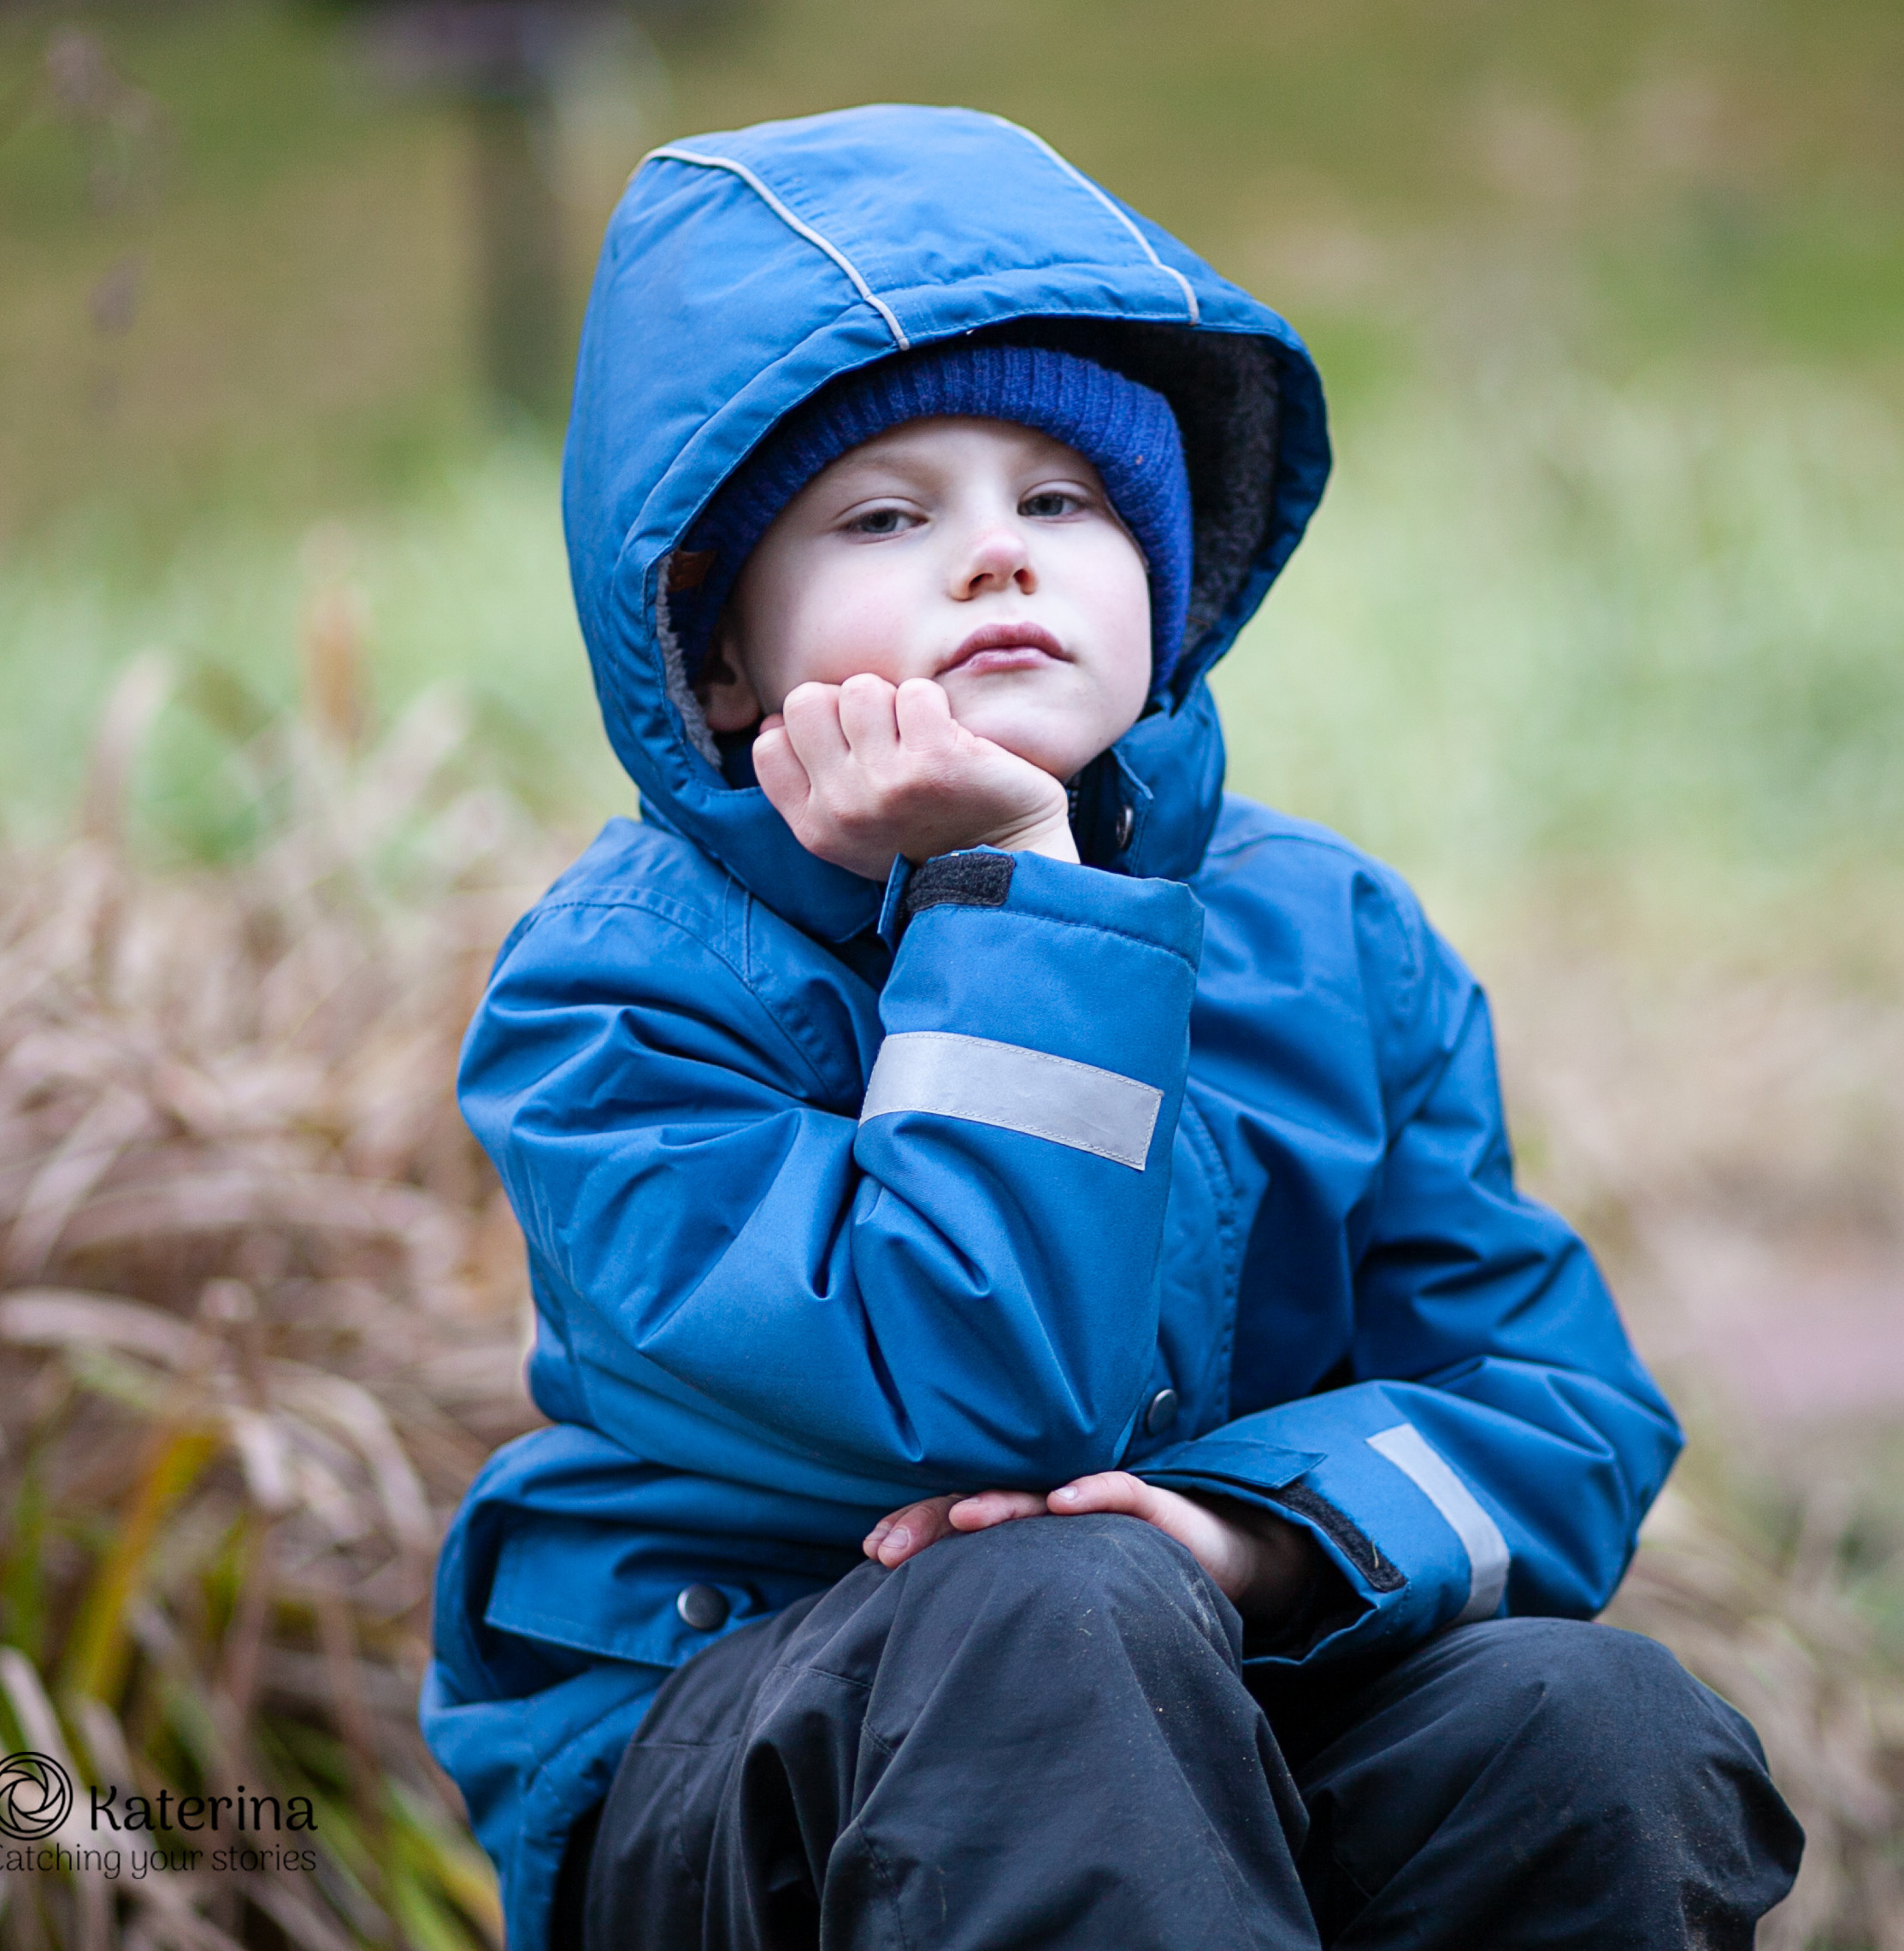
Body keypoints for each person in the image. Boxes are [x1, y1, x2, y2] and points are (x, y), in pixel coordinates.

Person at [421, 105, 1802, 1949]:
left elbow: (1551, 1408)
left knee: (1593, 1724)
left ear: (1166, 570)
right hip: (758, 1766)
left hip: (1219, 1670)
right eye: (887, 514)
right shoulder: (621, 999)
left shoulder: (1329, 939)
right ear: (725, 647)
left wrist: (1253, 1539)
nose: (998, 557)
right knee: (1056, 1604)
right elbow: (980, 1403)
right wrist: (1014, 886)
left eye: (1059, 501)